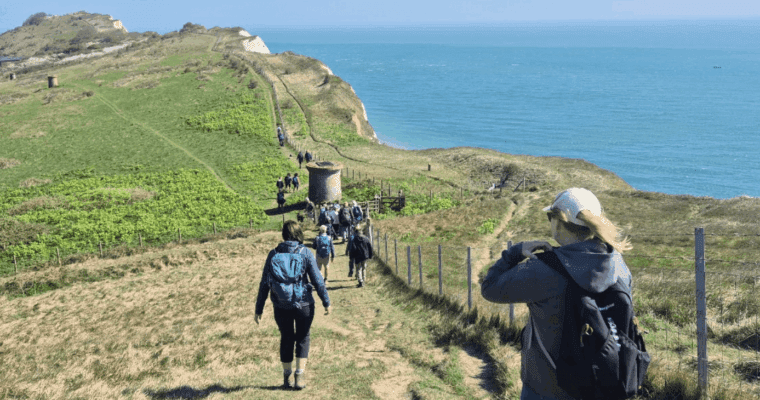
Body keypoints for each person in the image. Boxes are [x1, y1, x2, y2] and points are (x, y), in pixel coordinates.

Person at [480, 188, 634, 400]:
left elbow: (490, 287)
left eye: (549, 216)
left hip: (546, 388)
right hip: (604, 383)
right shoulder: (618, 265)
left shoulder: (545, 269)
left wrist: (515, 252)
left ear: (559, 221)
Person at [255, 221, 331, 390]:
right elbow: (318, 279)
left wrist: (258, 309)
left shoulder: (273, 253)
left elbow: (264, 284)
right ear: (299, 234)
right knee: (303, 337)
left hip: (281, 305)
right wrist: (326, 301)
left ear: (283, 234)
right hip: (304, 303)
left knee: (286, 337)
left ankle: (286, 376)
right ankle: (299, 374)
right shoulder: (305, 252)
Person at [347, 224, 374, 288]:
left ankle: (360, 281)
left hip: (357, 256)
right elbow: (370, 247)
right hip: (365, 256)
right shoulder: (366, 238)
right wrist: (370, 255)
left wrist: (351, 256)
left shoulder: (355, 239)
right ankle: (364, 280)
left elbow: (353, 249)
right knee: (364, 268)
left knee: (358, 269)